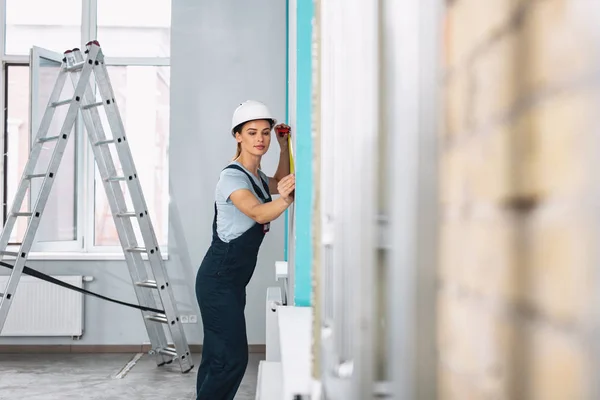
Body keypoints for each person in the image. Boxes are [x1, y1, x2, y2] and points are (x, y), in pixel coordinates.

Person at [195, 100, 295, 399]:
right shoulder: (233, 176)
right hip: (218, 280)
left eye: (265, 132)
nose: (260, 139)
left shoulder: (257, 177)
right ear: (238, 136)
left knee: (216, 356)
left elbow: (278, 182)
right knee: (231, 360)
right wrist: (288, 200)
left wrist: (284, 144)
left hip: (232, 282)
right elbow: (259, 212)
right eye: (252, 133)